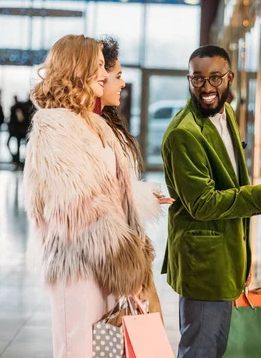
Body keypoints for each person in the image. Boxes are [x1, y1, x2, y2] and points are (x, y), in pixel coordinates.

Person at [161, 45, 261, 357]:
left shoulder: (227, 113)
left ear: (229, 77)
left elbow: (230, 183)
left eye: (215, 78)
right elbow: (204, 204)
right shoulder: (183, 133)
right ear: (189, 79)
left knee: (216, 348)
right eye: (197, 79)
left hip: (226, 255)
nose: (206, 87)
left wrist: (241, 257)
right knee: (200, 350)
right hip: (204, 263)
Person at [24, 34, 155, 358]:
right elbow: (79, 207)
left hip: (105, 265)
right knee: (79, 350)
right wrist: (128, 262)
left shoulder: (92, 124)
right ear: (77, 69)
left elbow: (111, 191)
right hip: (78, 268)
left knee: (105, 349)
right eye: (97, 65)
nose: (104, 73)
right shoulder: (54, 125)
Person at [98, 35, 174, 318]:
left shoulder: (106, 123)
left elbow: (117, 188)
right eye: (117, 76)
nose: (123, 83)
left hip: (125, 254)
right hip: (111, 258)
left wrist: (143, 195)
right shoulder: (81, 130)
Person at [7, 95, 30, 168]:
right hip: (21, 130)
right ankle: (18, 159)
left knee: (19, 145)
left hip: (19, 130)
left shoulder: (17, 108)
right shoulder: (20, 107)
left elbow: (20, 120)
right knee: (22, 145)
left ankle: (18, 160)